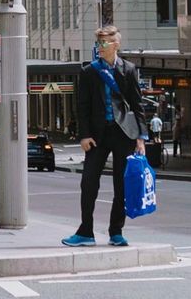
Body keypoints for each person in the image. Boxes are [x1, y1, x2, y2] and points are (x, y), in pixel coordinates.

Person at [62, 25, 146, 248]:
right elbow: (82, 106)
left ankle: (116, 231)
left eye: (104, 43)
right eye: (98, 43)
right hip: (97, 136)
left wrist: (140, 138)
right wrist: (83, 135)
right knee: (88, 181)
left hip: (123, 134)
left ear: (116, 44)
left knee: (122, 184)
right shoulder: (90, 71)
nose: (99, 47)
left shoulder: (128, 69)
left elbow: (137, 104)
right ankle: (85, 231)